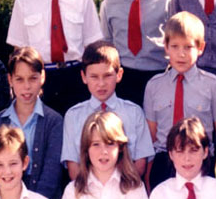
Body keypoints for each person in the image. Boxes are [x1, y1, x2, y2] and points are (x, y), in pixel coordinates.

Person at [7, 0, 102, 114]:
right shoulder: (24, 0)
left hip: (77, 78)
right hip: (40, 80)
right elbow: (18, 51)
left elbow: (93, 47)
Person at [144, 11, 216, 188]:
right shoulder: (154, 86)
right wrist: (147, 180)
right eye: (175, 46)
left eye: (188, 47)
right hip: (165, 161)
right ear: (166, 47)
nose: (181, 54)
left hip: (200, 161)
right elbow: (150, 139)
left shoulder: (213, 85)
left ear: (201, 48)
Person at [62, 40, 154, 181]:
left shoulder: (134, 113)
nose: (101, 83)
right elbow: (73, 168)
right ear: (83, 77)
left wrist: (117, 188)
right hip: (87, 191)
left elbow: (141, 163)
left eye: (107, 75)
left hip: (125, 189)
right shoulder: (73, 116)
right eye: (94, 77)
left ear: (119, 74)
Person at [100, 0, 171, 107]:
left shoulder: (168, 1)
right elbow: (106, 44)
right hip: (123, 78)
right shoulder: (110, 2)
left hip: (159, 75)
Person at [0, 46, 64, 199]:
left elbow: (51, 175)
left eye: (33, 78)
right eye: (19, 79)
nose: (26, 86)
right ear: (10, 80)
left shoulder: (54, 121)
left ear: (42, 77)